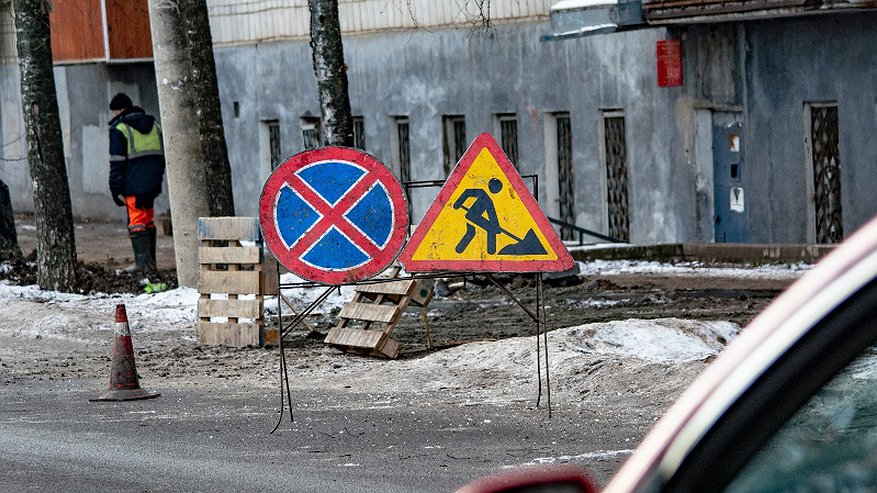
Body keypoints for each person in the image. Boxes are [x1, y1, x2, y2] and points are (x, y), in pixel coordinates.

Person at [108, 93, 165, 273]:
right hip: (153, 182)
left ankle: (142, 265)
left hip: (133, 184)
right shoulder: (154, 124)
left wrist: (115, 187)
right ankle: (150, 264)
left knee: (136, 221)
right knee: (147, 220)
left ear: (118, 111)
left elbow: (117, 162)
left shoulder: (120, 128)